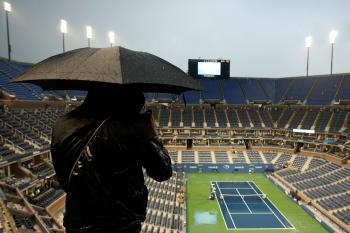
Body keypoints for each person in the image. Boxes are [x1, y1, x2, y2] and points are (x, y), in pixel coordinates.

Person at [51, 85, 173, 233]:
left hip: (76, 223)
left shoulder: (61, 124)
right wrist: (151, 133)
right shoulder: (130, 127)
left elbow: (64, 180)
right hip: (121, 224)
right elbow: (163, 171)